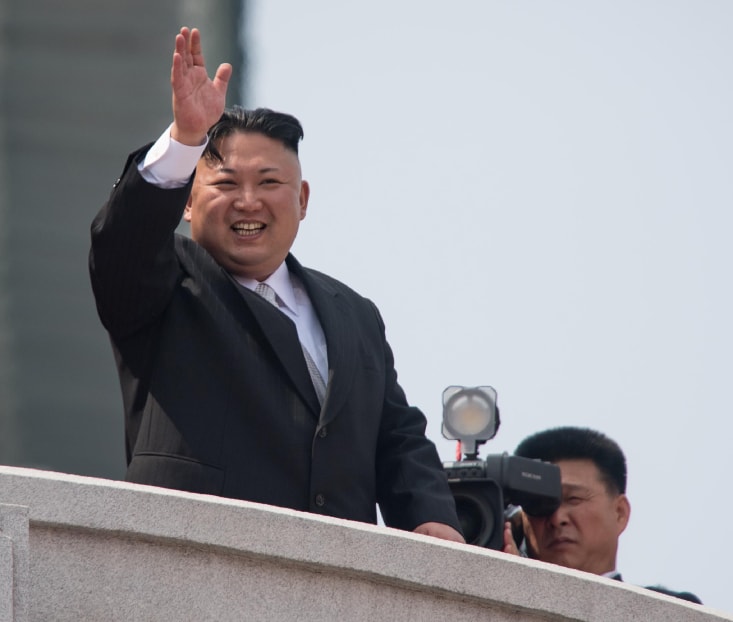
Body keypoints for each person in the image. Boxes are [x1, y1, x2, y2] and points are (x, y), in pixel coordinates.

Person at [89, 27, 463, 544]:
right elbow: (122, 241)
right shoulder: (166, 280)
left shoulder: (354, 313)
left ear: (302, 200)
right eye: (224, 183)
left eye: (269, 183)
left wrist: (432, 521)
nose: (248, 202)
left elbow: (395, 435)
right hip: (196, 561)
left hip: (337, 573)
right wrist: (184, 142)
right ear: (188, 203)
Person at [502, 427, 701, 604]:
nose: (556, 518)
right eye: (539, 503)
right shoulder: (500, 600)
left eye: (573, 499)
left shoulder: (668, 610)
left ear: (619, 513)